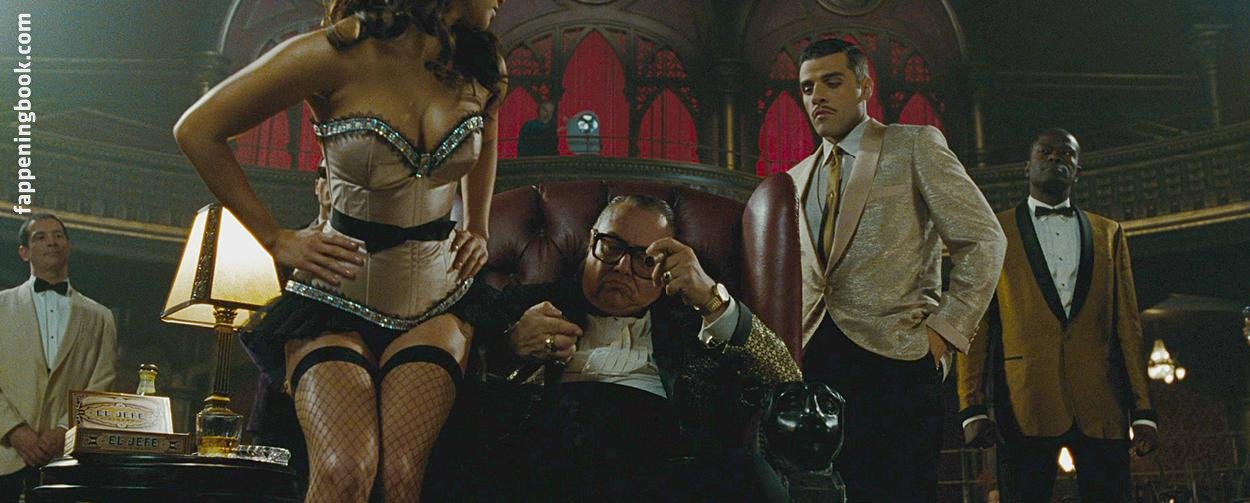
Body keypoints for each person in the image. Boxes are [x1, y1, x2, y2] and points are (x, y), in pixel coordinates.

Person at [172, 0, 507, 500]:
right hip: (333, 299)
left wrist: (478, 226)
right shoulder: (332, 53)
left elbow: (488, 133)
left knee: (401, 476)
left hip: (439, 299)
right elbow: (198, 131)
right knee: (343, 469)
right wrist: (276, 239)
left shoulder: (480, 62)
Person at [780, 38, 1006, 500]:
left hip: (899, 363)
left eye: (832, 82)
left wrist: (943, 333)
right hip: (815, 367)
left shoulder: (914, 144)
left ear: (865, 87)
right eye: (807, 87)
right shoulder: (794, 178)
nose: (817, 96)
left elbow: (983, 239)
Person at [476, 195, 801, 502]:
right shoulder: (528, 305)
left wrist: (713, 301)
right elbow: (461, 389)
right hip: (549, 461)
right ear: (591, 242)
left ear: (666, 270)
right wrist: (511, 346)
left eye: (645, 260)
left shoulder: (693, 324)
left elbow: (787, 381)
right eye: (611, 246)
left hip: (664, 472)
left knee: (752, 474)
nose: (621, 267)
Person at [957, 129, 1157, 503]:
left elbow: (1127, 326)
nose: (1054, 158)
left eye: (1066, 153)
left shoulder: (1109, 233)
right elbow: (976, 323)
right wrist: (972, 407)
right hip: (1025, 403)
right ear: (1027, 166)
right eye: (1045, 152)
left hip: (1103, 405)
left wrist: (1143, 411)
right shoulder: (994, 232)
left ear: (1078, 170)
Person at [0, 213, 117, 503]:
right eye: (40, 237)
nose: (51, 241)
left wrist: (65, 431)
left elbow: (101, 384)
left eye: (58, 235)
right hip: (5, 454)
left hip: (66, 461)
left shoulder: (100, 316)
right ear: (24, 252)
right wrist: (14, 430)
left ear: (68, 245)